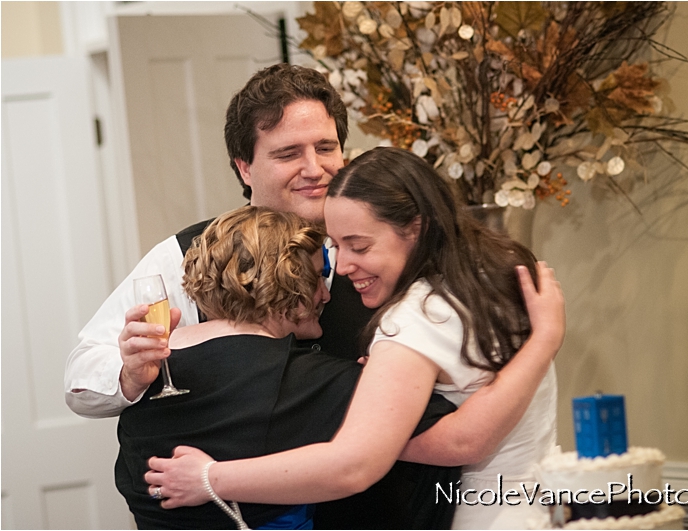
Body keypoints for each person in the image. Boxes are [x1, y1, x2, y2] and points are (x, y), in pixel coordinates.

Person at [66, 64, 558, 528]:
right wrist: (129, 375)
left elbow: (460, 425)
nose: (314, 168)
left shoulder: (407, 262)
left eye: (326, 147)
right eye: (288, 154)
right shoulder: (185, 255)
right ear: (244, 167)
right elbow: (83, 375)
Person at [144, 147, 566, 530]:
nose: (342, 267)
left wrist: (210, 477)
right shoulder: (488, 276)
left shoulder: (417, 316)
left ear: (416, 230)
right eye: (336, 247)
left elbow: (403, 454)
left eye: (358, 246)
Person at [116, 206, 363, 529]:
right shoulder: (305, 378)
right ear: (288, 282)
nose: (326, 295)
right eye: (317, 277)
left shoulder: (142, 373)